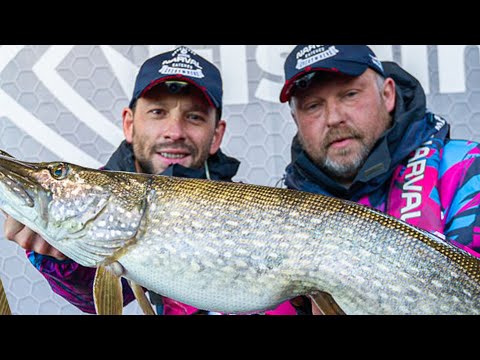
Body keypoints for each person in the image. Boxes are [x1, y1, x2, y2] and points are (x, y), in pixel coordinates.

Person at [3, 46, 302, 315]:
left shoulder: (247, 208)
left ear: (217, 135)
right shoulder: (98, 198)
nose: (174, 131)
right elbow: (98, 297)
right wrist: (60, 258)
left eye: (194, 117)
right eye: (158, 112)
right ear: (130, 124)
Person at [280, 44, 480, 258]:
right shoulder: (282, 214)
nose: (333, 118)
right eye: (313, 106)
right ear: (295, 120)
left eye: (349, 95)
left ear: (387, 95)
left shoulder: (465, 168)